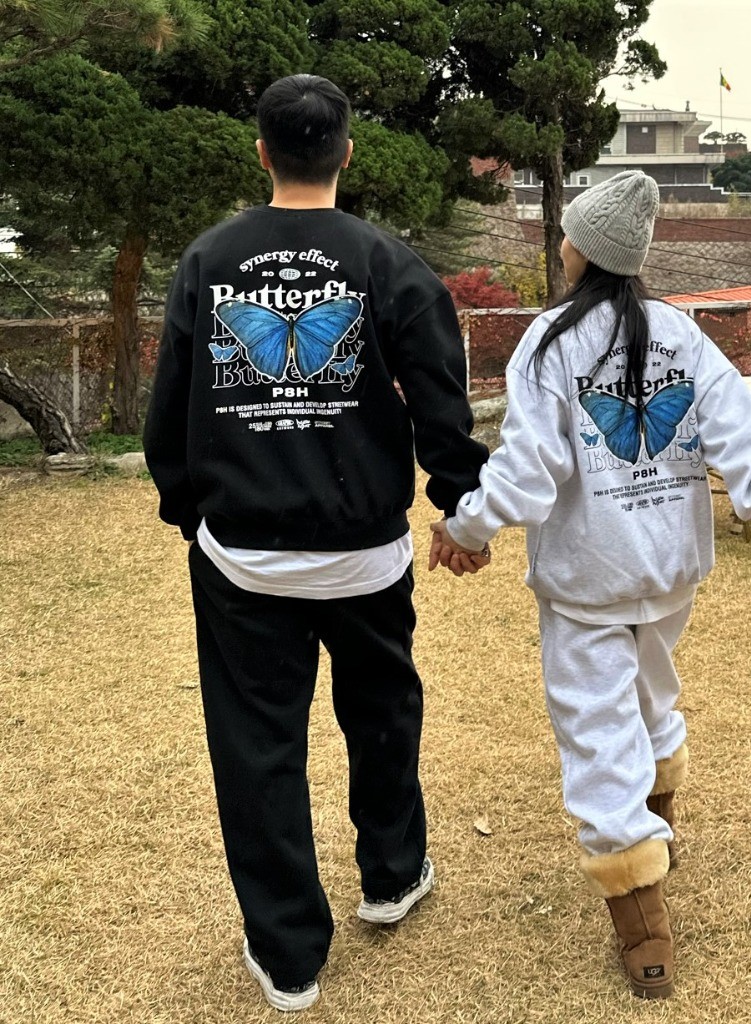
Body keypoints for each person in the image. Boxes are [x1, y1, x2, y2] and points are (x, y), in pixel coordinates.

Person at [429, 170, 751, 999]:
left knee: (596, 734)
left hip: (588, 578)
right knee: (649, 698)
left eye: (566, 235)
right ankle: (659, 830)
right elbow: (737, 427)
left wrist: (465, 526)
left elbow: (529, 466)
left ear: (579, 248)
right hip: (668, 569)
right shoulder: (679, 333)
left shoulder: (550, 342)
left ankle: (645, 931)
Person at [143, 73, 490, 1012]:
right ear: (347, 152)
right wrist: (459, 502)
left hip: (242, 557)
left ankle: (288, 953)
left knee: (257, 747)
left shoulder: (208, 260)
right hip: (364, 550)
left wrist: (187, 509)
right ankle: (392, 874)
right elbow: (442, 398)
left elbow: (169, 403)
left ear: (260, 151)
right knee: (382, 712)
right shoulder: (387, 262)